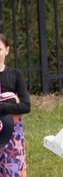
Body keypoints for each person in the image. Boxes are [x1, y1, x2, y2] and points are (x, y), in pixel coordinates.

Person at [0, 34, 31, 176]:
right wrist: (12, 102)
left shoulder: (15, 75)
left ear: (7, 50)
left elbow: (26, 106)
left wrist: (3, 106)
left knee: (13, 169)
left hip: (12, 131)